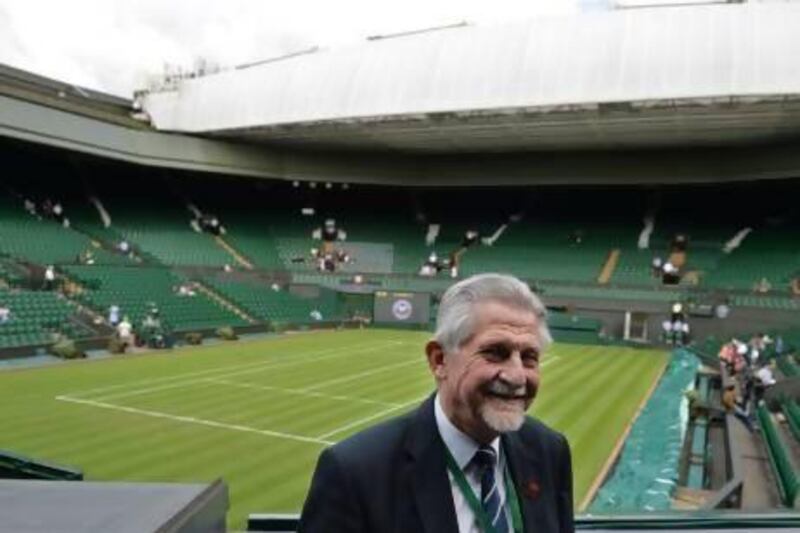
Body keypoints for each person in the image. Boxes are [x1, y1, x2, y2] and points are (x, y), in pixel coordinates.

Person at [299, 273, 574, 533]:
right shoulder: (354, 472)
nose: (516, 376)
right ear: (440, 360)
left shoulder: (549, 451)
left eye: (529, 357)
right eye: (495, 352)